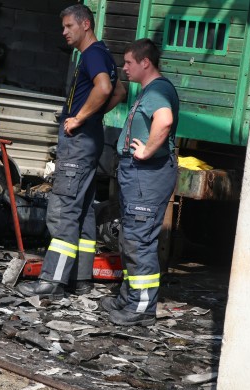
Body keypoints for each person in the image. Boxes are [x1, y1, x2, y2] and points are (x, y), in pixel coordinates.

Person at [17, 4, 125, 299]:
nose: (64, 32)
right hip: (89, 142)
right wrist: (93, 117)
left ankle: (52, 282)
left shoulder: (91, 55)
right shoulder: (101, 54)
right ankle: (81, 279)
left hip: (78, 142)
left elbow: (104, 89)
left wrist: (80, 117)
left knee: (63, 210)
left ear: (85, 24)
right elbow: (119, 92)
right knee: (83, 211)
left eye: (68, 26)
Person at [100, 38, 179, 327]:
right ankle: (129, 298)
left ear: (145, 62)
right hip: (139, 176)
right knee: (130, 238)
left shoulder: (158, 91)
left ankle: (141, 308)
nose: (125, 68)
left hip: (147, 176)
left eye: (129, 62)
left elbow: (165, 120)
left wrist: (146, 150)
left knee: (139, 241)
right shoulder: (150, 90)